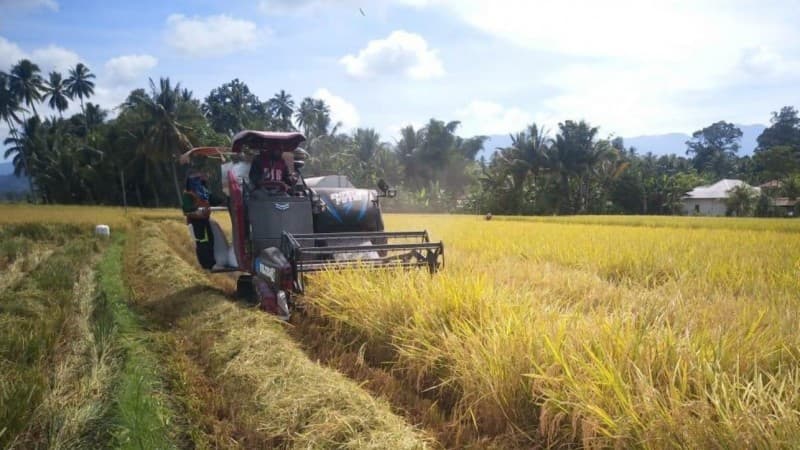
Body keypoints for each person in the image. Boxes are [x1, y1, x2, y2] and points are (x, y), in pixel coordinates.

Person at [183, 170, 226, 270]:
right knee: (203, 243)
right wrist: (195, 213)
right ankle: (208, 264)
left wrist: (225, 202)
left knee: (210, 240)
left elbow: (213, 199)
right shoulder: (188, 194)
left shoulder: (204, 192)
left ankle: (212, 262)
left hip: (205, 220)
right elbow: (186, 211)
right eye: (199, 179)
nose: (202, 182)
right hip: (197, 223)